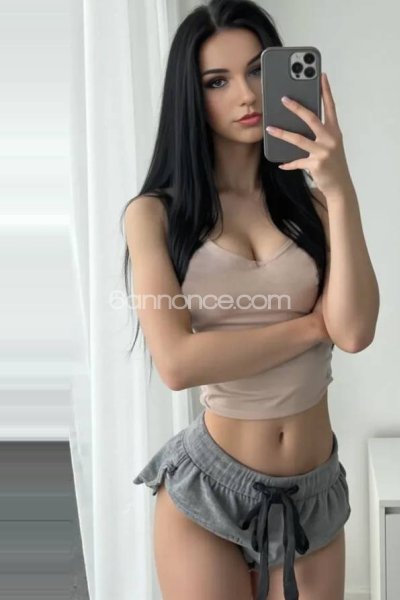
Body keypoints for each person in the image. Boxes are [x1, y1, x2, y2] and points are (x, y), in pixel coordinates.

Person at [122, 1, 379, 599]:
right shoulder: (154, 215)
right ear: (191, 97)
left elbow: (355, 330)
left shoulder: (316, 204)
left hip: (314, 491)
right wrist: (310, 328)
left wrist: (340, 187)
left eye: (259, 70)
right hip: (211, 490)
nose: (246, 94)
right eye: (218, 81)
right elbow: (177, 363)